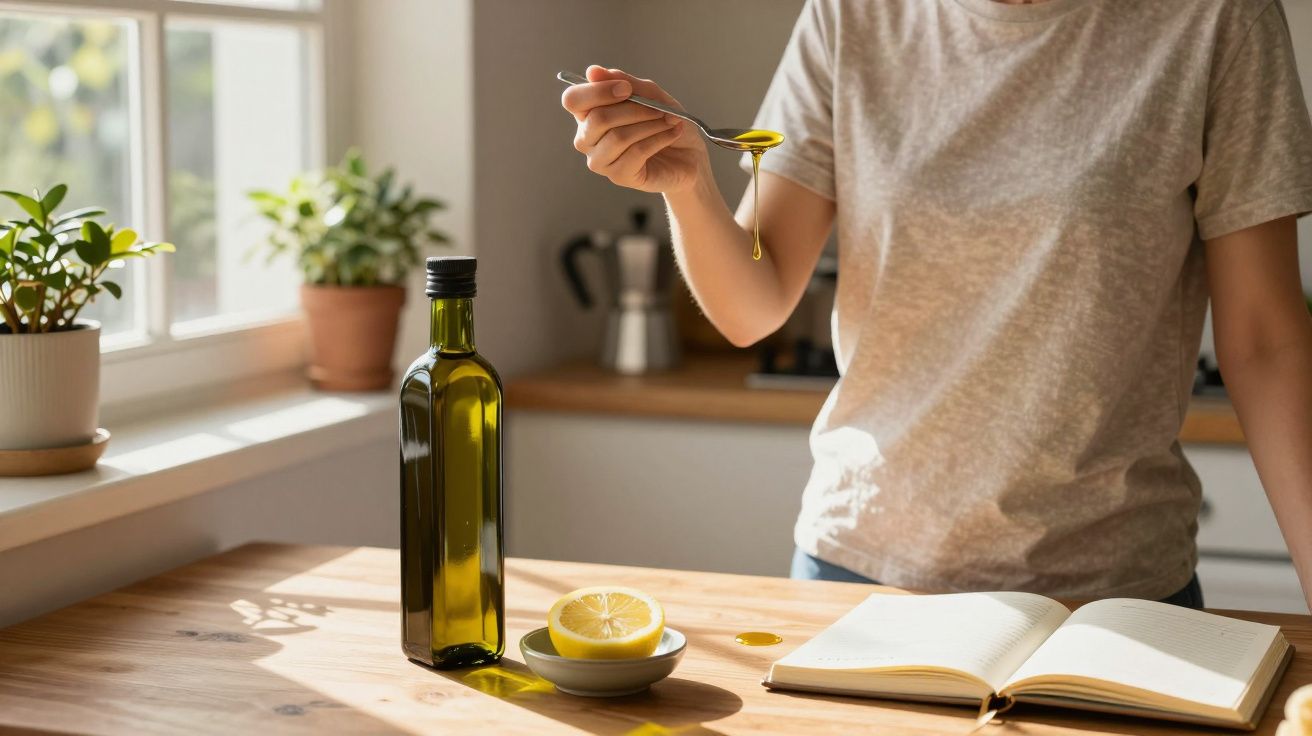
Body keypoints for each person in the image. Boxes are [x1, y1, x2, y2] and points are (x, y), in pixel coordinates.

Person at [560, 0, 1312, 610]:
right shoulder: (849, 19)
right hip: (861, 577)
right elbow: (751, 307)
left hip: (1117, 600)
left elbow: (1267, 342)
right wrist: (688, 187)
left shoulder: (1218, 21)